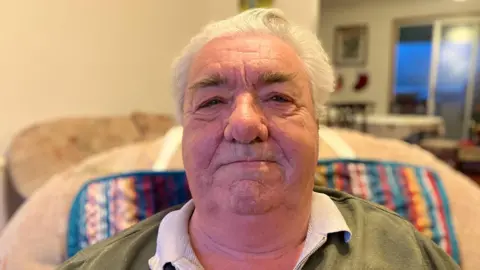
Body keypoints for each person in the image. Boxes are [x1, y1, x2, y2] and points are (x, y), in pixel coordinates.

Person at [59, 8, 459, 270]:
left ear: (317, 127)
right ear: (183, 129)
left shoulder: (406, 253)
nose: (245, 124)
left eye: (279, 98)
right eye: (212, 100)